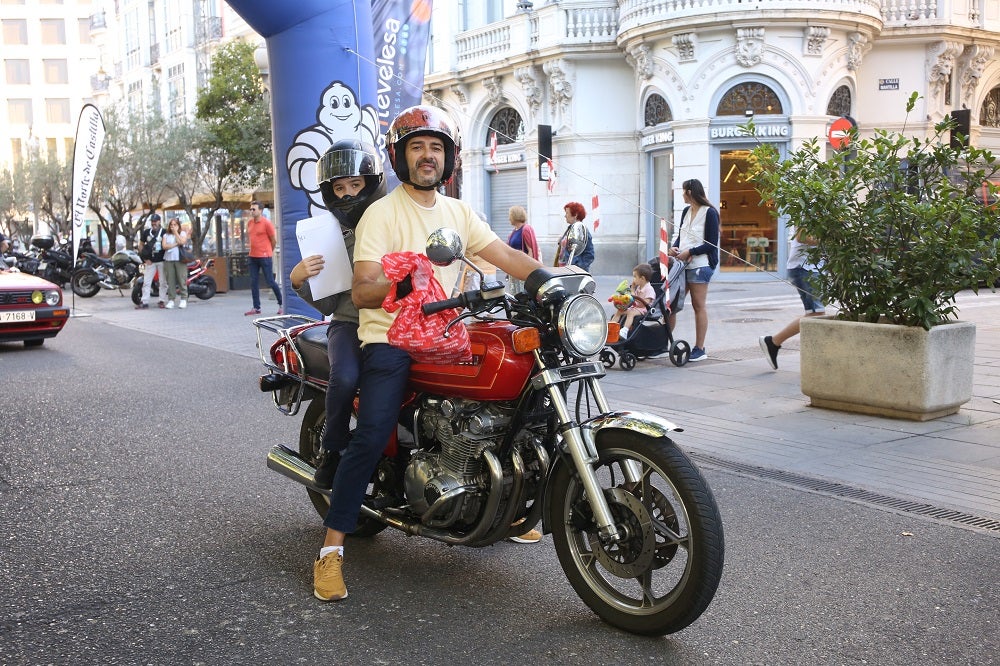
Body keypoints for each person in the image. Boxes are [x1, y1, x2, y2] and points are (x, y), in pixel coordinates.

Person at [312, 105, 544, 602]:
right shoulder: (381, 213)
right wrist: (402, 278)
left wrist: (550, 280)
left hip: (448, 332)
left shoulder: (459, 213)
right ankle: (331, 551)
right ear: (400, 156)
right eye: (417, 146)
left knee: (526, 400)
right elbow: (362, 290)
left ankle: (517, 504)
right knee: (371, 433)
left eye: (435, 147)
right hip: (391, 338)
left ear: (449, 157)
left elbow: (503, 255)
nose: (427, 156)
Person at [288, 139, 387, 489]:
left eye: (355, 185)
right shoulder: (331, 234)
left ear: (371, 182)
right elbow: (330, 306)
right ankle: (331, 449)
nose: (347, 196)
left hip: (396, 325)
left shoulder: (395, 221)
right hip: (349, 324)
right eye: (339, 188)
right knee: (344, 377)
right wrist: (299, 279)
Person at [759, 226, 825, 370]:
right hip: (805, 268)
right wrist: (831, 239)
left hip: (812, 268)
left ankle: (774, 342)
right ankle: (773, 342)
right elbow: (802, 236)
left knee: (815, 314)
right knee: (816, 315)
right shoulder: (808, 204)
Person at [668, 178, 720, 362]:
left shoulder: (710, 213)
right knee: (671, 304)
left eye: (683, 191)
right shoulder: (685, 211)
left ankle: (700, 348)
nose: (681, 194)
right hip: (682, 263)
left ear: (690, 192)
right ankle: (662, 342)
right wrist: (674, 248)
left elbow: (712, 244)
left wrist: (690, 251)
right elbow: (681, 236)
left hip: (701, 265)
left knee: (698, 305)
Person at [245, 200, 283, 316]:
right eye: (251, 209)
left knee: (270, 281)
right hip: (252, 256)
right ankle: (256, 308)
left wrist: (268, 252)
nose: (251, 211)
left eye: (254, 209)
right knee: (253, 282)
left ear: (260, 210)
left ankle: (282, 304)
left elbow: (273, 240)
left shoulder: (267, 223)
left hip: (265, 256)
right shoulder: (250, 223)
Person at [505, 205, 540, 294]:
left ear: (514, 216)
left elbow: (530, 251)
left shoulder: (526, 229)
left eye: (510, 215)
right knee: (515, 294)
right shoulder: (514, 231)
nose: (508, 218)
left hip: (523, 270)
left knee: (523, 294)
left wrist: (527, 269)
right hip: (514, 270)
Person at [617, 262, 656, 338]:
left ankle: (625, 331)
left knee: (631, 313)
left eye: (635, 277)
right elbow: (634, 300)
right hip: (636, 308)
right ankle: (611, 326)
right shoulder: (639, 287)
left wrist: (632, 291)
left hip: (644, 309)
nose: (633, 279)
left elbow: (644, 304)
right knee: (620, 310)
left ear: (642, 278)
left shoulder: (649, 289)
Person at [136, 213, 167, 309]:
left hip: (162, 260)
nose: (154, 223)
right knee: (147, 281)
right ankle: (144, 301)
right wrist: (144, 258)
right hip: (151, 261)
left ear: (159, 221)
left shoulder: (164, 232)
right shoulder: (146, 232)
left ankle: (162, 300)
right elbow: (141, 245)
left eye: (155, 221)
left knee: (163, 282)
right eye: (152, 221)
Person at [555, 201, 595, 271]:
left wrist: (577, 268)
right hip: (563, 270)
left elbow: (589, 255)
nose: (565, 215)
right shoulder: (570, 228)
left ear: (575, 215)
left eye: (567, 213)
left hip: (572, 272)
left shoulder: (582, 231)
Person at [161, 218, 189, 309]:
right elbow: (164, 246)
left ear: (178, 225)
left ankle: (184, 298)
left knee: (181, 279)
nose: (173, 226)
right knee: (170, 280)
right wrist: (175, 244)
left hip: (179, 259)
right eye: (171, 225)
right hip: (168, 259)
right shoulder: (166, 235)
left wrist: (176, 233)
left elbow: (182, 242)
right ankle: (171, 299)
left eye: (175, 225)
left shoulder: (182, 233)